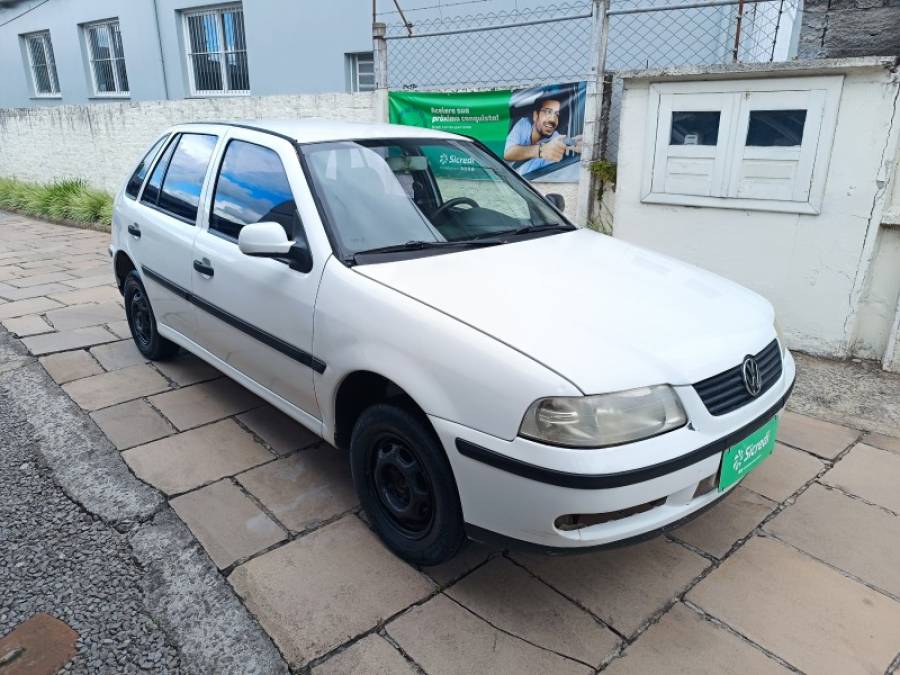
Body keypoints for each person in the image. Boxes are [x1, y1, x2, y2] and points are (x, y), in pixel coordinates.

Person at [504, 97, 582, 176]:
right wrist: (541, 150)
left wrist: (575, 144)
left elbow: (566, 143)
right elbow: (507, 154)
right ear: (535, 115)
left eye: (556, 114)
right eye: (548, 112)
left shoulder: (556, 138)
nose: (553, 119)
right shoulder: (524, 124)